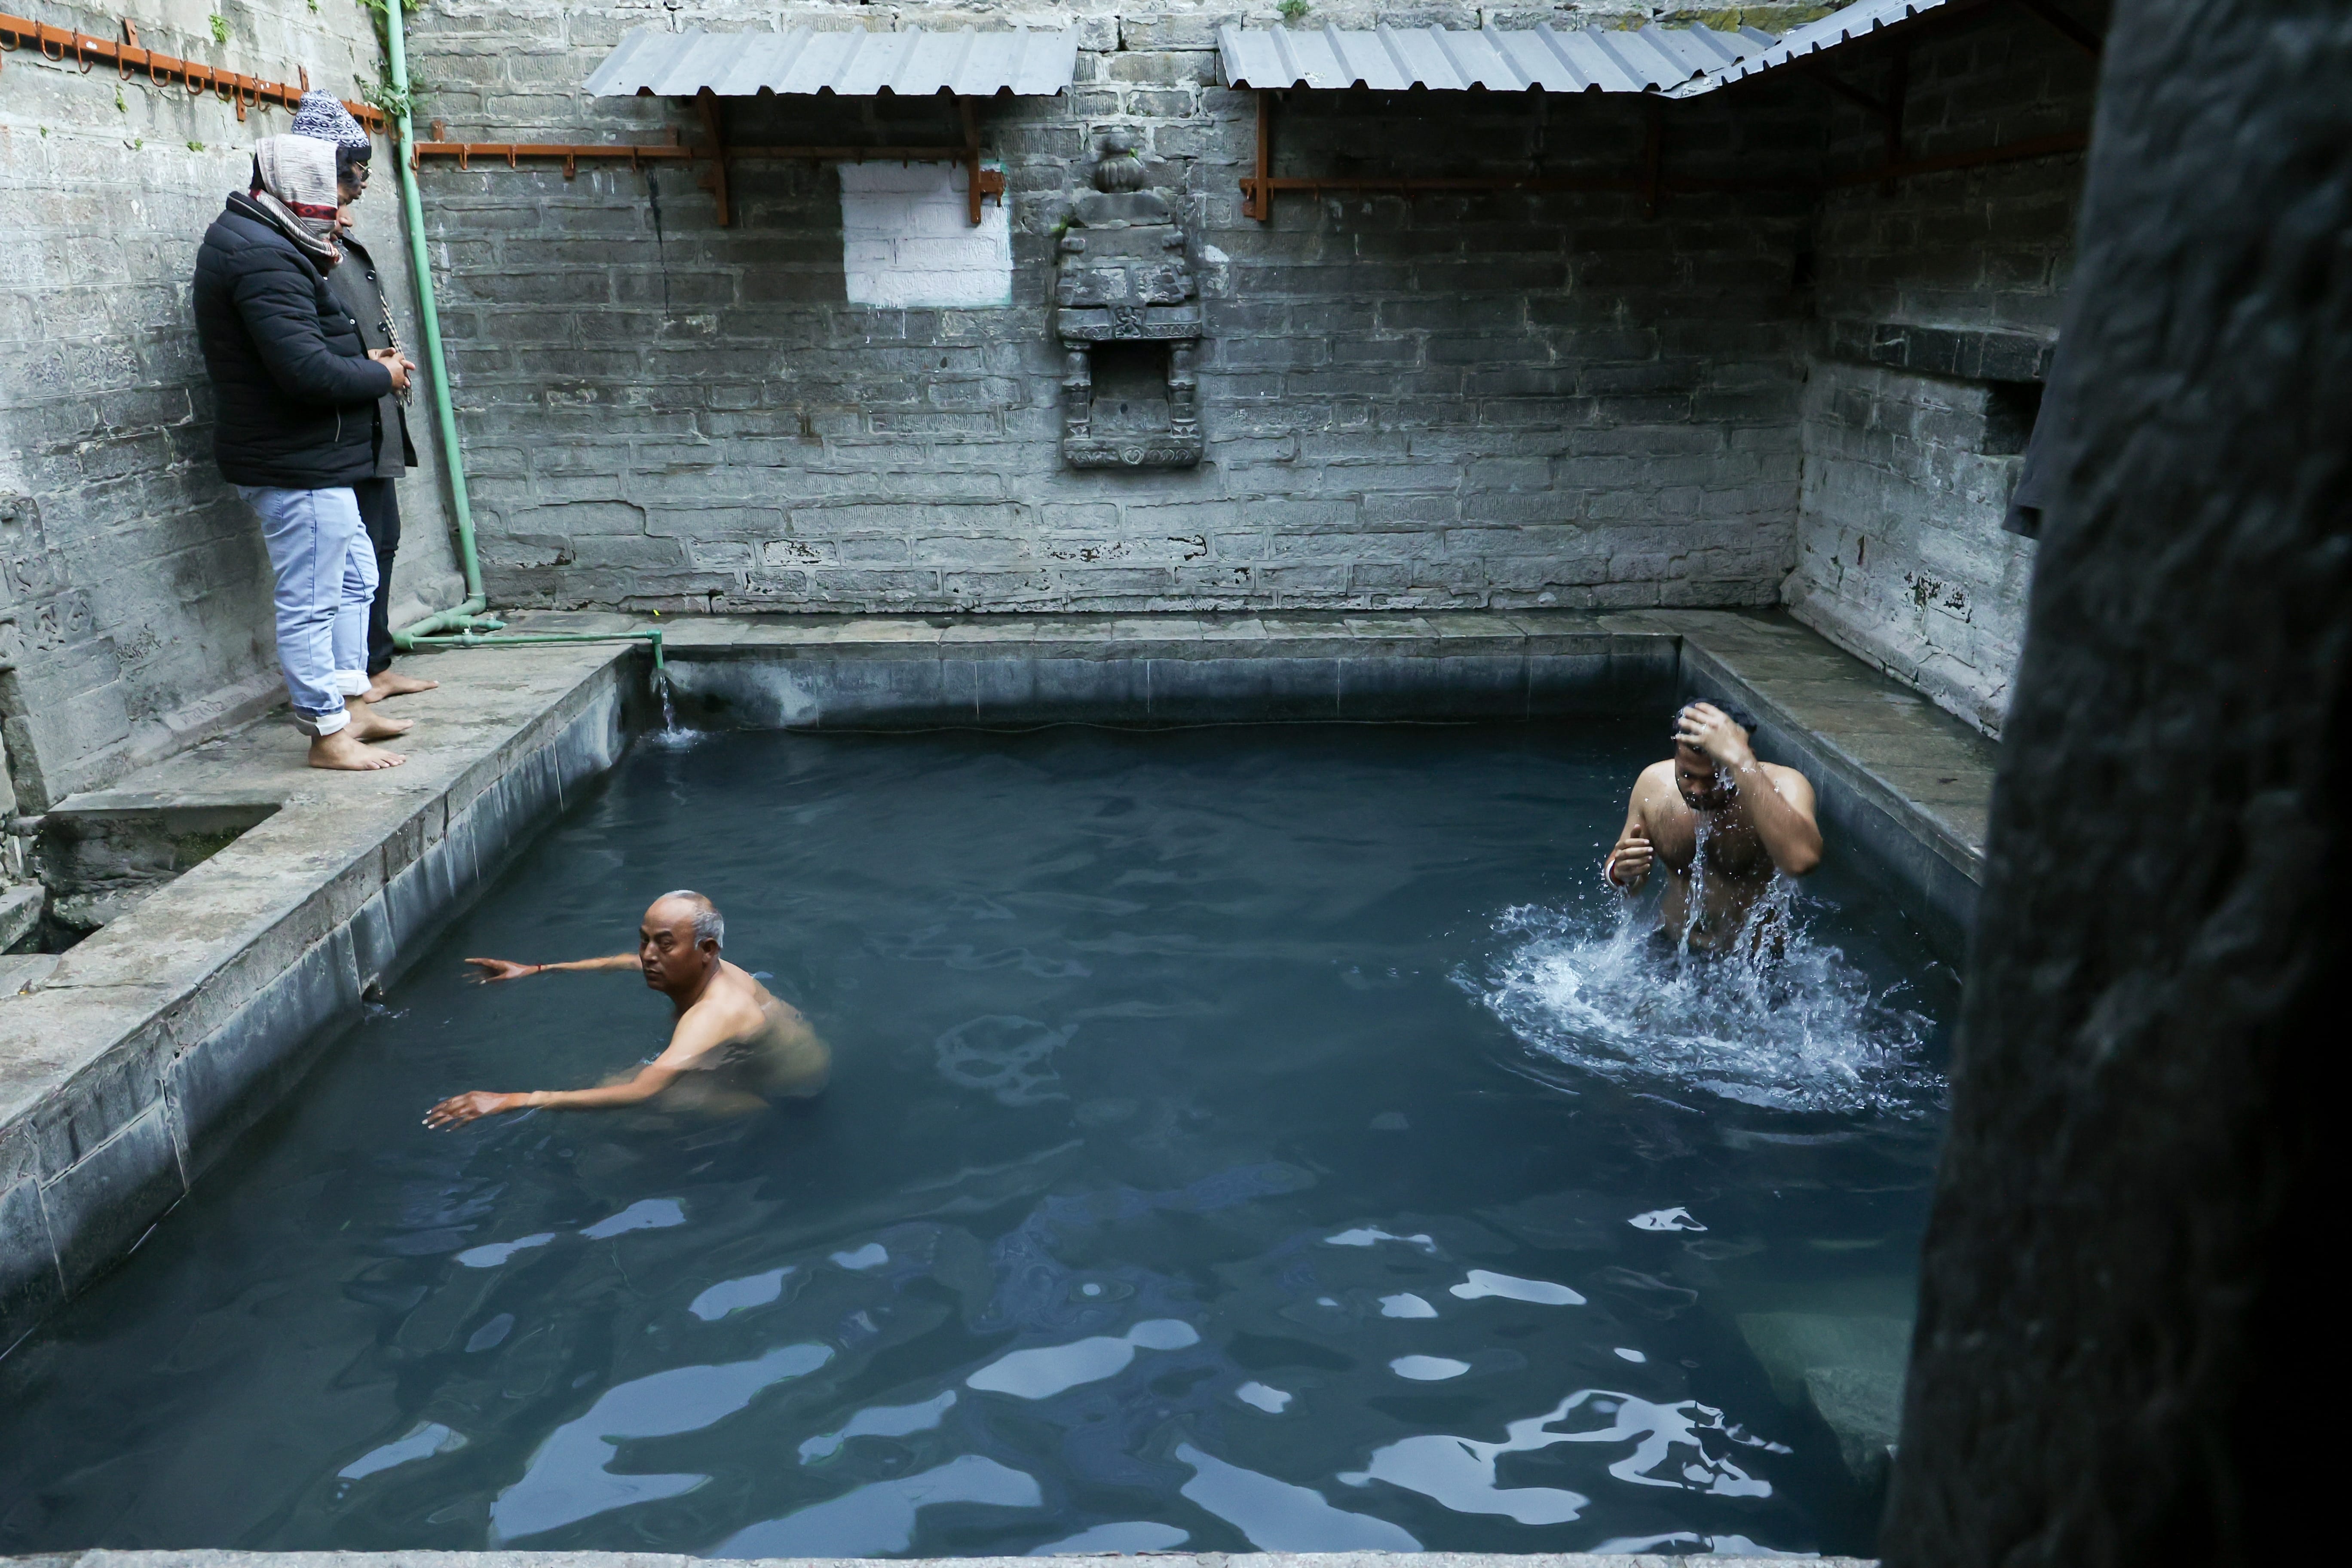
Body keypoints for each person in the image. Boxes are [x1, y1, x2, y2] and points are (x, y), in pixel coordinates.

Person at [193, 131, 420, 770]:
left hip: (309, 457)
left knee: (357, 578)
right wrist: (380, 374)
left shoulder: (266, 240)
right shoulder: (262, 255)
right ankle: (326, 733)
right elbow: (303, 373)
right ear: (302, 190)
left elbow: (297, 348)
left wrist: (363, 358)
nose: (341, 212)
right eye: (333, 195)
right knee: (314, 602)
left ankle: (352, 703)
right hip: (293, 461)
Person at [424, 891, 830, 1127]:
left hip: (793, 1098)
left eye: (664, 944)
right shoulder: (703, 967)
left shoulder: (715, 1013)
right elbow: (619, 962)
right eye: (644, 940)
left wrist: (514, 1100)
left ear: (706, 950)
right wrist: (536, 969)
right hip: (764, 1061)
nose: (649, 955)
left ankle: (761, 1120)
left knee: (632, 1093)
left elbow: (641, 1091)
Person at [291, 90, 439, 705]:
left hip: (372, 412)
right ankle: (347, 688)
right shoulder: (299, 249)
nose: (357, 193)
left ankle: (375, 667)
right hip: (338, 425)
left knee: (382, 543)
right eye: (351, 177)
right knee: (349, 566)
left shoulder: (336, 243)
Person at [1603, 702, 1822, 953]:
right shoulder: (1654, 785)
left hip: (1752, 963)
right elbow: (1622, 874)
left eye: (1714, 778)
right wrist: (1622, 872)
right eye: (1687, 775)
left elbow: (1801, 861)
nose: (1698, 790)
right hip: (1671, 947)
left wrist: (1743, 763)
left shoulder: (1784, 786)